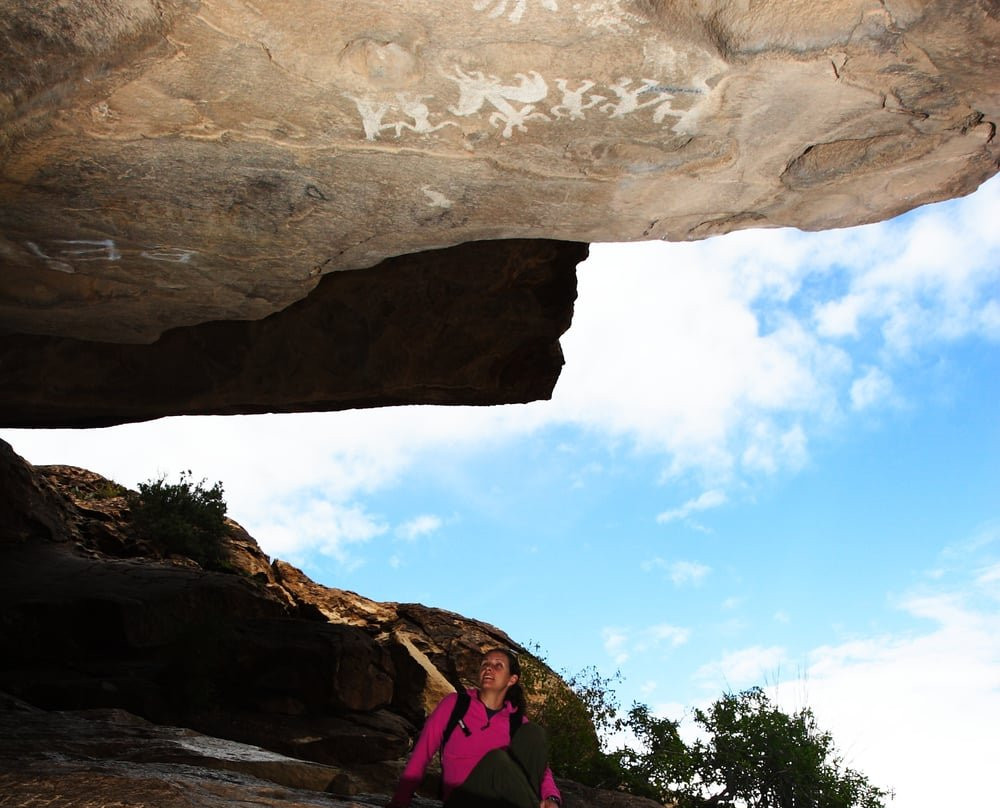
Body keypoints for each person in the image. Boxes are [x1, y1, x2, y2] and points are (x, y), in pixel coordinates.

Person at [388, 648, 563, 808]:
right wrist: (399, 802)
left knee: (535, 733)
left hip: (501, 802)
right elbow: (421, 754)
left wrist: (552, 798)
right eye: (485, 664)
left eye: (497, 666)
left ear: (512, 679)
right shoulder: (456, 704)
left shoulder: (517, 722)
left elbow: (542, 770)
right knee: (497, 760)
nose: (488, 668)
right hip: (462, 801)